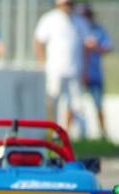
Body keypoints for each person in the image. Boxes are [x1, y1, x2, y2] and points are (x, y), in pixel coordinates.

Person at [33, 0, 88, 133]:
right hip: (55, 70)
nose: (68, 7)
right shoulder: (49, 19)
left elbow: (86, 46)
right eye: (66, 4)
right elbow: (38, 41)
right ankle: (50, 132)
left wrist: (85, 69)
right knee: (52, 101)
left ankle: (65, 134)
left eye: (70, 4)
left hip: (75, 70)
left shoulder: (79, 21)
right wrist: (42, 62)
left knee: (73, 104)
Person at [77, 4, 112, 138]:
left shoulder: (98, 30)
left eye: (86, 15)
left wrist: (94, 47)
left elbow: (108, 47)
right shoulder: (76, 28)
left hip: (95, 75)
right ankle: (66, 135)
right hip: (78, 75)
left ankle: (103, 134)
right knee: (73, 107)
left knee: (98, 106)